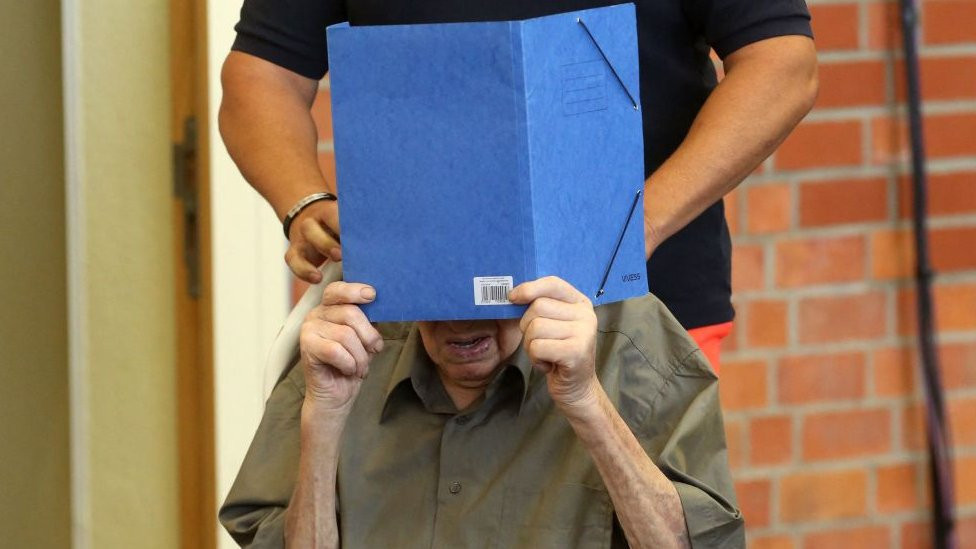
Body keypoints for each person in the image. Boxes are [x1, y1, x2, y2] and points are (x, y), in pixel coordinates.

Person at [218, 1, 819, 373]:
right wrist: (303, 200)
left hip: (637, 314)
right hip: (409, 324)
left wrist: (638, 226)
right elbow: (260, 74)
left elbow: (782, 63)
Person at [220, 275, 743, 547]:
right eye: (434, 296)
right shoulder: (349, 345)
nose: (457, 322)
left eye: (484, 300)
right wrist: (326, 416)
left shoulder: (632, 345)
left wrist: (587, 403)